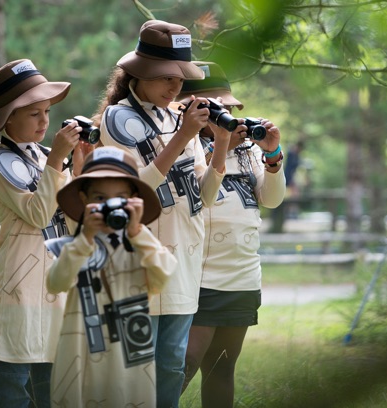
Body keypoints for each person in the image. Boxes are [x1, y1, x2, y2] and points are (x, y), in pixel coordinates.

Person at [95, 20, 232, 408]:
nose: (175, 87)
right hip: (140, 261)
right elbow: (135, 188)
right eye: (165, 76)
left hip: (184, 260)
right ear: (137, 73)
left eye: (180, 77)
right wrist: (184, 137)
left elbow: (202, 197)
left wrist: (219, 143)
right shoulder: (116, 118)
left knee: (173, 363)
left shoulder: (178, 119)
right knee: (135, 367)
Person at [176, 61, 286, 407]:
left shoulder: (248, 150)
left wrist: (271, 155)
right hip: (202, 277)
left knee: (222, 368)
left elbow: (271, 199)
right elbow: (196, 197)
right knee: (185, 362)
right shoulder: (181, 147)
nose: (224, 116)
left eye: (228, 108)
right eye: (215, 108)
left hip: (242, 275)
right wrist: (218, 146)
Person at [0, 58, 83, 408]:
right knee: (12, 386)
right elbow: (39, 213)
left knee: (54, 389)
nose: (45, 121)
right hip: (18, 284)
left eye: (46, 111)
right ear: (9, 118)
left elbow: (74, 217)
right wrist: (58, 160)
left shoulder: (47, 156)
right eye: (34, 113)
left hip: (56, 281)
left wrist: (79, 161)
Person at [45, 146, 178, 407]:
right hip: (81, 347)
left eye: (120, 198)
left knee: (128, 396)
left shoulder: (141, 241)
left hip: (129, 348)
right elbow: (56, 282)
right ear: (84, 199)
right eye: (100, 198)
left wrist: (138, 231)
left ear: (133, 199)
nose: (110, 205)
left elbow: (164, 276)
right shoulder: (73, 245)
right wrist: (85, 240)